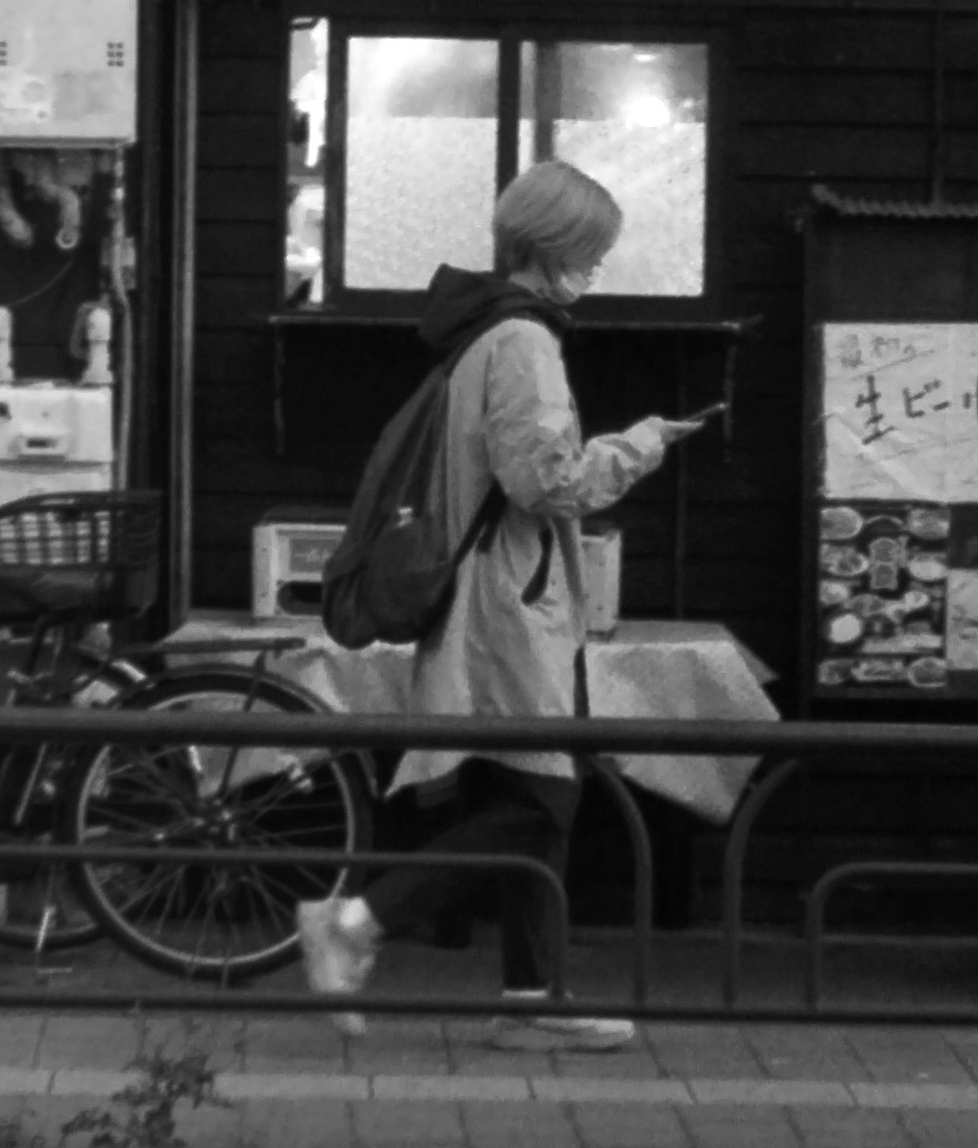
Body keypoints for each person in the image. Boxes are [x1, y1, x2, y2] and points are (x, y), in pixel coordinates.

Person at [295, 160, 713, 1050]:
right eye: (593, 253)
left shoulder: (479, 336)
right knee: (535, 807)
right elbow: (544, 481)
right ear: (557, 249)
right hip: (508, 610)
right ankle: (355, 922)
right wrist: (638, 447)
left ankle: (531, 1001)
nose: (597, 271)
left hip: (487, 601)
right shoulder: (524, 342)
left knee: (536, 800)